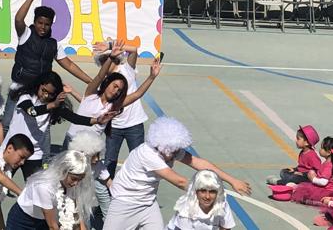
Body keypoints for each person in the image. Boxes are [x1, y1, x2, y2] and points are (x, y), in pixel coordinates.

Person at [104, 117, 250, 230]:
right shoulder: (147, 154)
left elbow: (199, 163)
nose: (176, 155)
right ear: (162, 147)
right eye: (173, 152)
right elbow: (179, 181)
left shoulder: (170, 149)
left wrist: (232, 180)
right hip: (125, 202)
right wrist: (211, 189)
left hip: (148, 203)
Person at [4, 71, 102, 180]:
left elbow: (75, 118)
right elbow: (32, 111)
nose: (45, 95)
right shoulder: (26, 97)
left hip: (35, 153)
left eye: (50, 94)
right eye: (44, 90)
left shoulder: (53, 105)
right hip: (15, 149)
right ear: (38, 85)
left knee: (35, 189)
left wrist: (97, 120)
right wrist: (53, 104)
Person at [91, 42, 162, 180]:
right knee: (110, 162)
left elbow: (134, 50)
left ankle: (136, 188)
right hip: (114, 127)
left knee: (138, 160)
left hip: (134, 125)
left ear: (115, 58)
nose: (105, 63)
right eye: (102, 61)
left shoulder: (127, 69)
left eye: (107, 59)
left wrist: (110, 46)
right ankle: (108, 194)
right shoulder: (103, 81)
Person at [12, 0, 96, 91]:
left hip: (41, 90)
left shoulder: (54, 44)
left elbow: (69, 65)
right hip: (20, 85)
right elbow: (18, 19)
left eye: (47, 24)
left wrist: (90, 81)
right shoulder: (26, 34)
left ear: (51, 25)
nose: (43, 27)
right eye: (40, 23)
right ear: (34, 22)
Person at [6, 149, 95, 230]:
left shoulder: (73, 183)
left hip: (44, 220)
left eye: (80, 179)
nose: (76, 183)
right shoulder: (44, 187)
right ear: (63, 171)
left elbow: (76, 214)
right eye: (74, 178)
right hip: (23, 221)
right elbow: (52, 226)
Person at [165, 170, 234, 230]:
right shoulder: (186, 209)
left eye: (212, 191)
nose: (207, 196)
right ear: (195, 192)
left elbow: (226, 227)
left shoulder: (222, 203)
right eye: (203, 191)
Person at [265, 125, 324, 193]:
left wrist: (303, 174)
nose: (296, 141)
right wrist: (294, 169)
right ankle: (289, 183)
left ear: (306, 142)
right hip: (298, 173)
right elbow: (301, 166)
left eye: (298, 139)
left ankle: (278, 182)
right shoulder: (302, 152)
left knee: (293, 177)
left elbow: (317, 171)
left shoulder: (312, 155)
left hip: (306, 177)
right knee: (283, 172)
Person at [286, 136, 333, 205]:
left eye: (322, 148)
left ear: (328, 152)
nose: (320, 149)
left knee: (305, 194)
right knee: (303, 189)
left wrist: (313, 178)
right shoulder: (328, 163)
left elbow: (323, 182)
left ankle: (316, 202)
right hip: (323, 188)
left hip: (326, 190)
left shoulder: (329, 166)